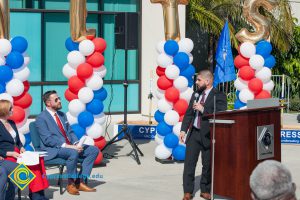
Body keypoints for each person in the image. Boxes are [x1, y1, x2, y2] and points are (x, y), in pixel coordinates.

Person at [35, 90, 99, 195]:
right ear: (48, 103)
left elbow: (70, 131)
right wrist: (69, 147)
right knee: (72, 152)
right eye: (56, 99)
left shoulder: (62, 115)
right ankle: (71, 183)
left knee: (93, 150)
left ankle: (80, 181)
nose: (60, 101)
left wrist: (76, 143)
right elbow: (48, 140)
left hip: (68, 146)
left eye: (59, 98)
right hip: (52, 149)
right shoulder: (41, 118)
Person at [179, 70, 227, 200]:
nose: (196, 82)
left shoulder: (219, 95)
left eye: (199, 80)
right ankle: (188, 191)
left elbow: (221, 112)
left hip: (209, 134)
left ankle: (205, 189)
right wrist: (183, 130)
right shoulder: (196, 94)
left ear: (207, 81)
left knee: (207, 164)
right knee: (189, 163)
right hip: (194, 132)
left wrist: (203, 109)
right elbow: (189, 113)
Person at [0, 99, 49, 200]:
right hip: (6, 156)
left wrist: (21, 148)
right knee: (23, 171)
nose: (13, 110)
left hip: (18, 153)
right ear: (4, 110)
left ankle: (37, 194)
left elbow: (17, 141)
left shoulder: (11, 122)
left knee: (37, 161)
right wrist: (9, 153)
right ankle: (10, 197)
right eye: (10, 108)